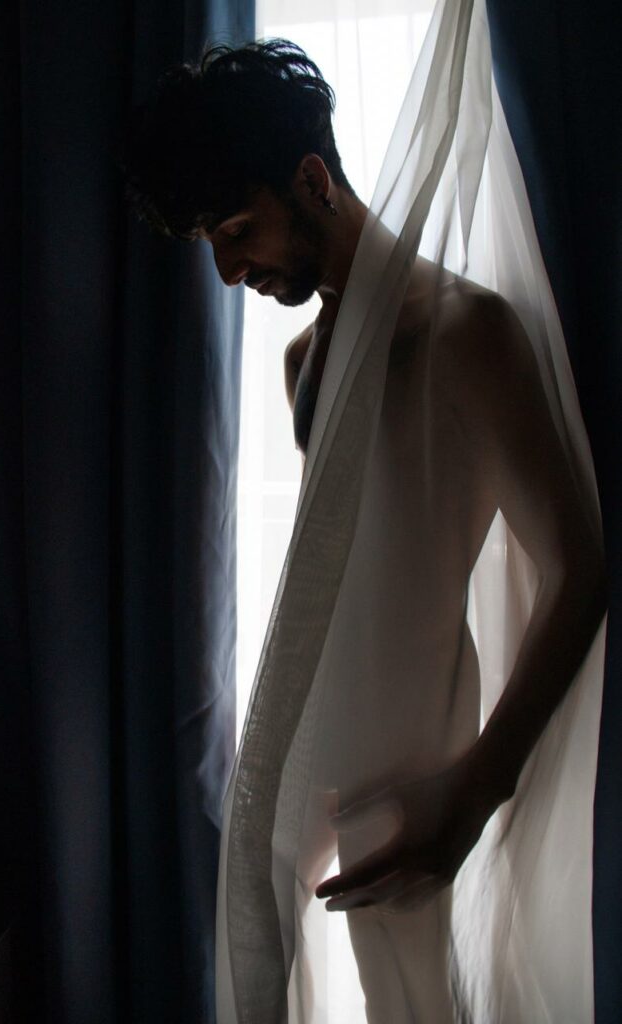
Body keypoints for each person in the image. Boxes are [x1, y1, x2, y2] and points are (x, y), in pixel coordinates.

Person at [123, 21, 606, 1023]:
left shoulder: (466, 335)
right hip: (321, 776)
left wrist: (474, 790)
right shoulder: (305, 364)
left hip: (420, 776)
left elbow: (580, 567)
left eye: (236, 231)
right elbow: (338, 583)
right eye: (211, 246)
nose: (228, 272)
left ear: (312, 180)